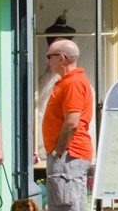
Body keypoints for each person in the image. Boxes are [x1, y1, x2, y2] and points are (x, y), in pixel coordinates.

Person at [43, 39, 94, 211]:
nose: (47, 61)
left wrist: (59, 151)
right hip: (68, 155)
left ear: (62, 58)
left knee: (65, 205)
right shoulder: (69, 81)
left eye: (49, 56)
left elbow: (72, 122)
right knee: (70, 203)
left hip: (68, 155)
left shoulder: (73, 83)